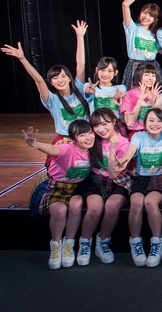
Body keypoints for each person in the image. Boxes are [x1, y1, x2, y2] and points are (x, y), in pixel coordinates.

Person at [23, 120, 100, 270]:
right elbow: (53, 149)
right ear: (73, 139)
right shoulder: (67, 148)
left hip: (78, 187)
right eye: (82, 135)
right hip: (57, 185)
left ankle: (69, 244)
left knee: (76, 205)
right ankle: (56, 246)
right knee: (59, 211)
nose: (88, 137)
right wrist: (35, 144)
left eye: (90, 133)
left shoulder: (94, 149)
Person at [3, 21, 90, 151]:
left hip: (86, 139)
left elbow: (80, 64)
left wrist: (80, 37)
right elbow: (38, 80)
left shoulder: (79, 88)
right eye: (55, 78)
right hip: (65, 142)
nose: (60, 80)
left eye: (63, 76)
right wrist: (22, 59)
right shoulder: (52, 100)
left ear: (69, 78)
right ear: (51, 83)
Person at [69, 108, 131, 266]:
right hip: (95, 179)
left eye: (104, 124)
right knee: (94, 209)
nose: (100, 129)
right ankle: (85, 243)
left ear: (114, 122)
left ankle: (103, 242)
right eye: (96, 125)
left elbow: (114, 174)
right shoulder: (93, 139)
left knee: (112, 206)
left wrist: (112, 148)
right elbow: (74, 146)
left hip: (118, 180)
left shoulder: (124, 143)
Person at [117, 108, 162, 267]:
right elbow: (131, 150)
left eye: (159, 121)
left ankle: (157, 243)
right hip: (141, 178)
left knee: (150, 202)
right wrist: (124, 160)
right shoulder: (138, 136)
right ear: (144, 123)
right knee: (136, 203)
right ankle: (136, 242)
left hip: (160, 177)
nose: (155, 124)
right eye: (151, 120)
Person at [121, 0, 162, 88]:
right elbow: (125, 4)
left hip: (152, 67)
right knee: (135, 95)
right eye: (144, 12)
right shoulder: (132, 28)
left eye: (151, 15)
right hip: (136, 66)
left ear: (155, 20)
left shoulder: (155, 34)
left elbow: (159, 50)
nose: (146, 17)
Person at [84, 57, 128, 136]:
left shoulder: (119, 88)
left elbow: (122, 90)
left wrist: (118, 94)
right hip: (97, 125)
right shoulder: (92, 87)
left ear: (115, 72)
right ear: (97, 70)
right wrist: (88, 91)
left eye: (110, 71)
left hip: (115, 125)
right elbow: (86, 88)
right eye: (102, 70)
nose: (105, 74)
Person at [120, 63, 162, 133]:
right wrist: (140, 100)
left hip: (154, 132)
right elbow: (129, 123)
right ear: (139, 76)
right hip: (136, 132)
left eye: (153, 75)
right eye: (146, 75)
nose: (150, 78)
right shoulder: (130, 94)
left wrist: (153, 103)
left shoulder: (156, 94)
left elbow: (161, 121)